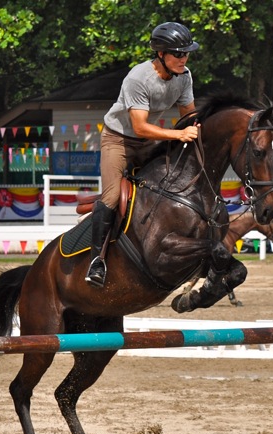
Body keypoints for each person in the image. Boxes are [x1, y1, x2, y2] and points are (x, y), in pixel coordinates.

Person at [86, 21, 201, 287]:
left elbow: (190, 116)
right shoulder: (138, 78)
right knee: (112, 197)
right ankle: (96, 261)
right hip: (118, 141)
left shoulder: (184, 76)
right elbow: (139, 126)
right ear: (161, 54)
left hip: (147, 142)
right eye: (178, 54)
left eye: (186, 53)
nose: (184, 59)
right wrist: (178, 135)